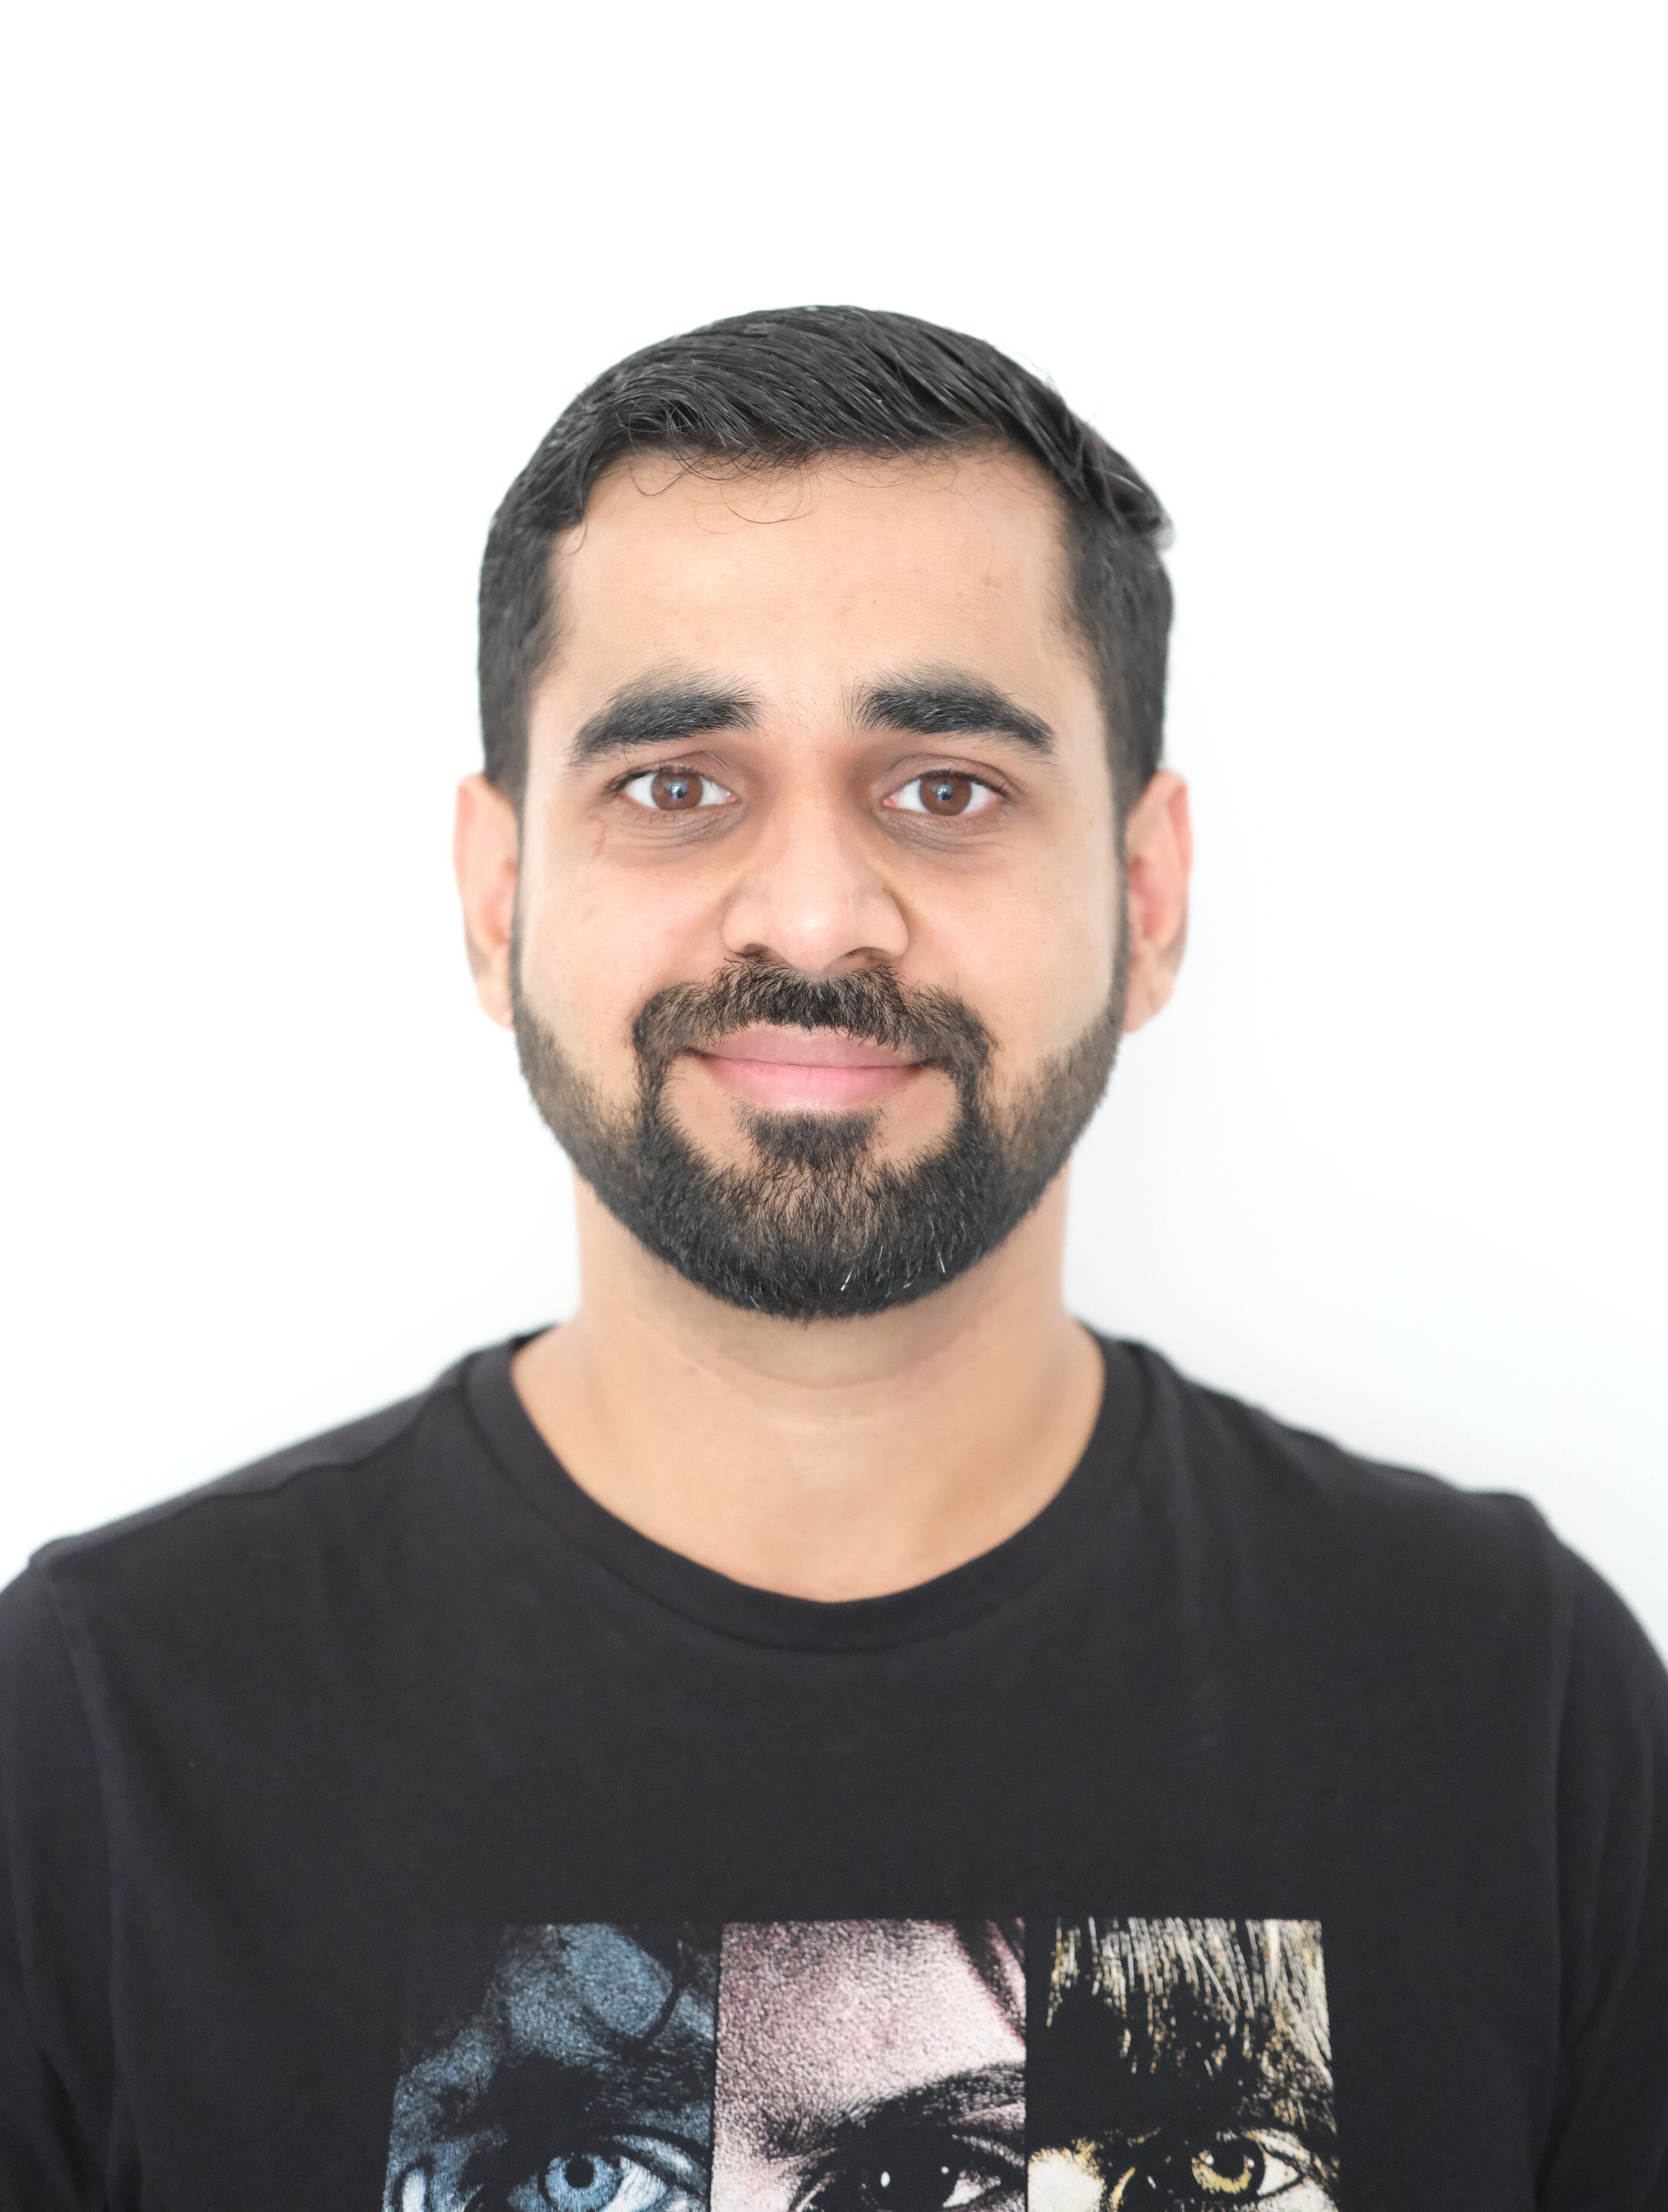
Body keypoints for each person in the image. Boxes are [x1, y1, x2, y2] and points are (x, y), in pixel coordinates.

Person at [0, 306, 1663, 2211]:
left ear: (1144, 898)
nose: (812, 918)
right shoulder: (106, 1735)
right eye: (676, 785)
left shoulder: (1513, 1706)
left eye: (946, 787)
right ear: (497, 895)